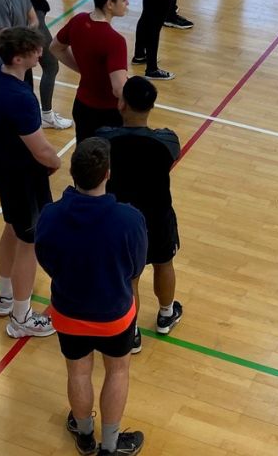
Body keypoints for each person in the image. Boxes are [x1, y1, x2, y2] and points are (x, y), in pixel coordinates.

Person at [35, 138, 147, 456]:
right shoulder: (129, 219)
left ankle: (84, 435)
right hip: (115, 316)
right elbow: (136, 266)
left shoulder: (51, 215)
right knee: (118, 371)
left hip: (68, 313)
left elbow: (45, 258)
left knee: (78, 372)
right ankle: (110, 447)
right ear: (107, 173)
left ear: (72, 173)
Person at [0, 27, 61, 339]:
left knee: (13, 229)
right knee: (30, 242)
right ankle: (21, 317)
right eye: (35, 51)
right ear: (18, 58)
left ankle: (5, 296)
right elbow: (41, 149)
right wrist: (56, 162)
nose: (41, 53)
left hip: (5, 168)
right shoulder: (20, 99)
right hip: (25, 176)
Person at [97, 77, 182, 356]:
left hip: (122, 220)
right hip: (158, 215)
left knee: (130, 275)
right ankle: (166, 314)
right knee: (163, 262)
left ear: (121, 104)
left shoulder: (105, 139)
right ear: (152, 105)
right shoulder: (167, 141)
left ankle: (132, 332)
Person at [51, 0, 131, 142]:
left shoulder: (78, 20)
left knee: (85, 160)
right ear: (110, 4)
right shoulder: (115, 40)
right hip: (108, 112)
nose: (127, 4)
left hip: (82, 106)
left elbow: (55, 48)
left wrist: (85, 70)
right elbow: (118, 89)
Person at [11, 0, 72, 129]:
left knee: (27, 68)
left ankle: (28, 112)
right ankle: (46, 115)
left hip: (34, 15)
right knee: (51, 64)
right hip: (33, 19)